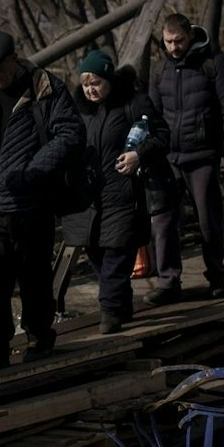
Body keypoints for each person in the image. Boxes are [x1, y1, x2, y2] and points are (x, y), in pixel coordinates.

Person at [0, 28, 81, 370]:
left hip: (31, 200)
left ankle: (39, 336)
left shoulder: (46, 88)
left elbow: (70, 133)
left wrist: (33, 171)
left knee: (34, 274)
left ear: (13, 59)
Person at [69, 52, 170, 333]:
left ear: (110, 80)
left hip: (124, 193)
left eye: (96, 83)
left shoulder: (134, 103)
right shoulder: (79, 111)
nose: (91, 90)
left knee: (116, 253)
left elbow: (162, 136)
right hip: (89, 198)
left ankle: (110, 312)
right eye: (86, 84)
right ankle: (122, 304)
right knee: (97, 253)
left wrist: (139, 154)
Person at [146, 12, 224, 302]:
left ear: (190, 36)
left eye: (178, 41)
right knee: (163, 222)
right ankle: (168, 282)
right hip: (168, 158)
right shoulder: (159, 69)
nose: (173, 47)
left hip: (202, 155)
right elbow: (150, 115)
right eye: (168, 42)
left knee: (208, 221)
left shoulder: (213, 63)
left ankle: (216, 276)